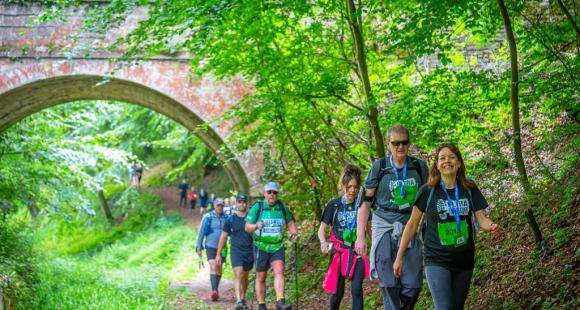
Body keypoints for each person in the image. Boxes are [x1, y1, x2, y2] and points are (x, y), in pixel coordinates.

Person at [393, 143, 500, 310]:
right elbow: (412, 224)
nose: (447, 161)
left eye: (452, 157)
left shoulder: (469, 188)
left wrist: (491, 226)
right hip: (437, 260)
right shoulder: (428, 191)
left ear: (458, 163)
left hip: (464, 261)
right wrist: (399, 257)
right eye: (442, 158)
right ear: (437, 164)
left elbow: (482, 219)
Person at [355, 125, 429, 310]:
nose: (400, 147)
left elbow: (429, 200)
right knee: (389, 284)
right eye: (395, 143)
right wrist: (360, 237)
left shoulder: (419, 167)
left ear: (409, 143)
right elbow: (365, 203)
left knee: (412, 286)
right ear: (389, 145)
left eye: (404, 143)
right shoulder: (379, 167)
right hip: (384, 225)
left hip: (410, 226)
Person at [318, 164, 370, 310]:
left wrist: (374, 249)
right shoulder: (334, 205)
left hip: (357, 251)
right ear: (343, 185)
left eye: (355, 187)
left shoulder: (362, 206)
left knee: (356, 291)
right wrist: (323, 242)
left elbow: (369, 229)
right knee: (337, 293)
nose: (352, 190)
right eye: (349, 186)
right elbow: (321, 229)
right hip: (339, 252)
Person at [245, 182, 299, 310]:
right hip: (261, 246)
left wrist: (295, 234)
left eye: (274, 192)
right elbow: (247, 227)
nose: (272, 195)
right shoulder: (258, 207)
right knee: (261, 277)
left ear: (277, 194)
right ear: (264, 193)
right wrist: (256, 226)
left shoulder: (282, 207)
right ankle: (261, 304)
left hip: (277, 246)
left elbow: (290, 223)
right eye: (269, 192)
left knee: (280, 271)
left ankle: (280, 302)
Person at [216, 194, 254, 310]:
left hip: (249, 250)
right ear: (236, 203)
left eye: (244, 202)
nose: (242, 204)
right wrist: (218, 254)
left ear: (246, 204)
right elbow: (223, 236)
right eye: (240, 202)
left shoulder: (251, 218)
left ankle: (243, 298)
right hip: (236, 250)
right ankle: (238, 301)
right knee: (238, 274)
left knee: (245, 276)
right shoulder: (231, 219)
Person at [197, 198, 228, 301]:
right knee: (213, 265)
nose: (220, 207)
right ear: (214, 206)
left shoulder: (227, 217)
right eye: (218, 205)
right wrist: (199, 246)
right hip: (210, 246)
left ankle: (216, 289)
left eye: (221, 205)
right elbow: (201, 232)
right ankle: (214, 291)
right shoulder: (208, 217)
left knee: (219, 267)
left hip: (223, 247)